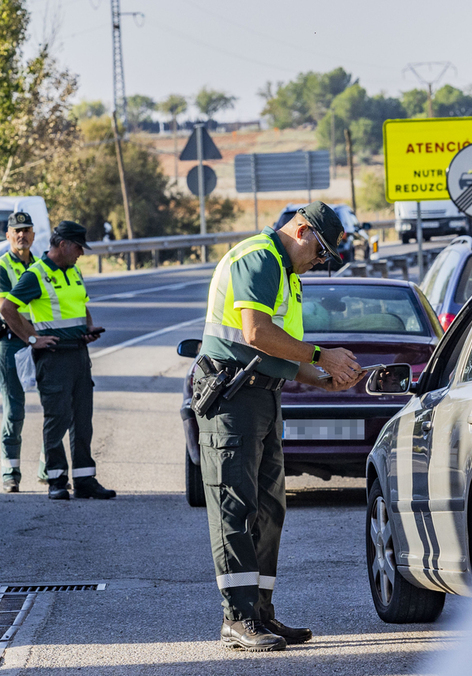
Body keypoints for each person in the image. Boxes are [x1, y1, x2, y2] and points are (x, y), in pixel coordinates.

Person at [196, 201, 365, 652]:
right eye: (321, 251)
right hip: (232, 396)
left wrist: (324, 379)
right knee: (236, 506)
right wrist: (318, 356)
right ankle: (237, 618)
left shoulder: (287, 273)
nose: (320, 261)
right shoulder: (260, 257)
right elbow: (255, 333)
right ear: (302, 229)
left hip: (263, 395)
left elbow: (277, 353)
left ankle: (261, 614)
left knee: (270, 508)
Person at [0, 221, 115, 501]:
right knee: (57, 419)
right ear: (62, 245)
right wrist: (32, 339)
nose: (81, 253)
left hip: (78, 354)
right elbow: (7, 308)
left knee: (82, 420)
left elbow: (81, 304)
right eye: (78, 247)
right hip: (53, 358)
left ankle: (85, 480)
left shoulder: (73, 271)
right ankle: (56, 480)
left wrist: (87, 329)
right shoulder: (36, 274)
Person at [0, 211, 46, 493]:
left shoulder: (43, 266)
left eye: (27, 230)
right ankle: (10, 473)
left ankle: (49, 469)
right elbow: (5, 309)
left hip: (42, 341)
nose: (22, 235)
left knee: (54, 408)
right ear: (8, 236)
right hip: (12, 342)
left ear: (34, 235)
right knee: (14, 411)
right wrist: (31, 336)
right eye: (17, 231)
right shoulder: (1, 268)